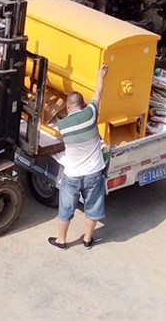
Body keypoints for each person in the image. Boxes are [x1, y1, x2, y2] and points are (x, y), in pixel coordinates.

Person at [48, 64, 109, 250]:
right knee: (93, 206)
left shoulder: (63, 125)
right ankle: (88, 239)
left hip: (73, 175)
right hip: (93, 173)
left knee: (66, 208)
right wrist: (100, 76)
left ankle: (61, 240)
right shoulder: (91, 114)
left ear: (67, 107)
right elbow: (98, 94)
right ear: (83, 105)